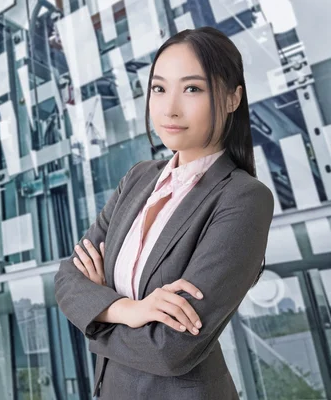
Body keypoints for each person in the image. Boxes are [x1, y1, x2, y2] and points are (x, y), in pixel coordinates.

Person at [54, 26, 274, 399]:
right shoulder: (139, 177)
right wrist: (130, 310)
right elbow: (66, 279)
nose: (169, 108)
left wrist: (96, 311)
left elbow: (171, 348)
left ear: (233, 98)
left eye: (192, 89)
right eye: (159, 88)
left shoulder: (243, 199)